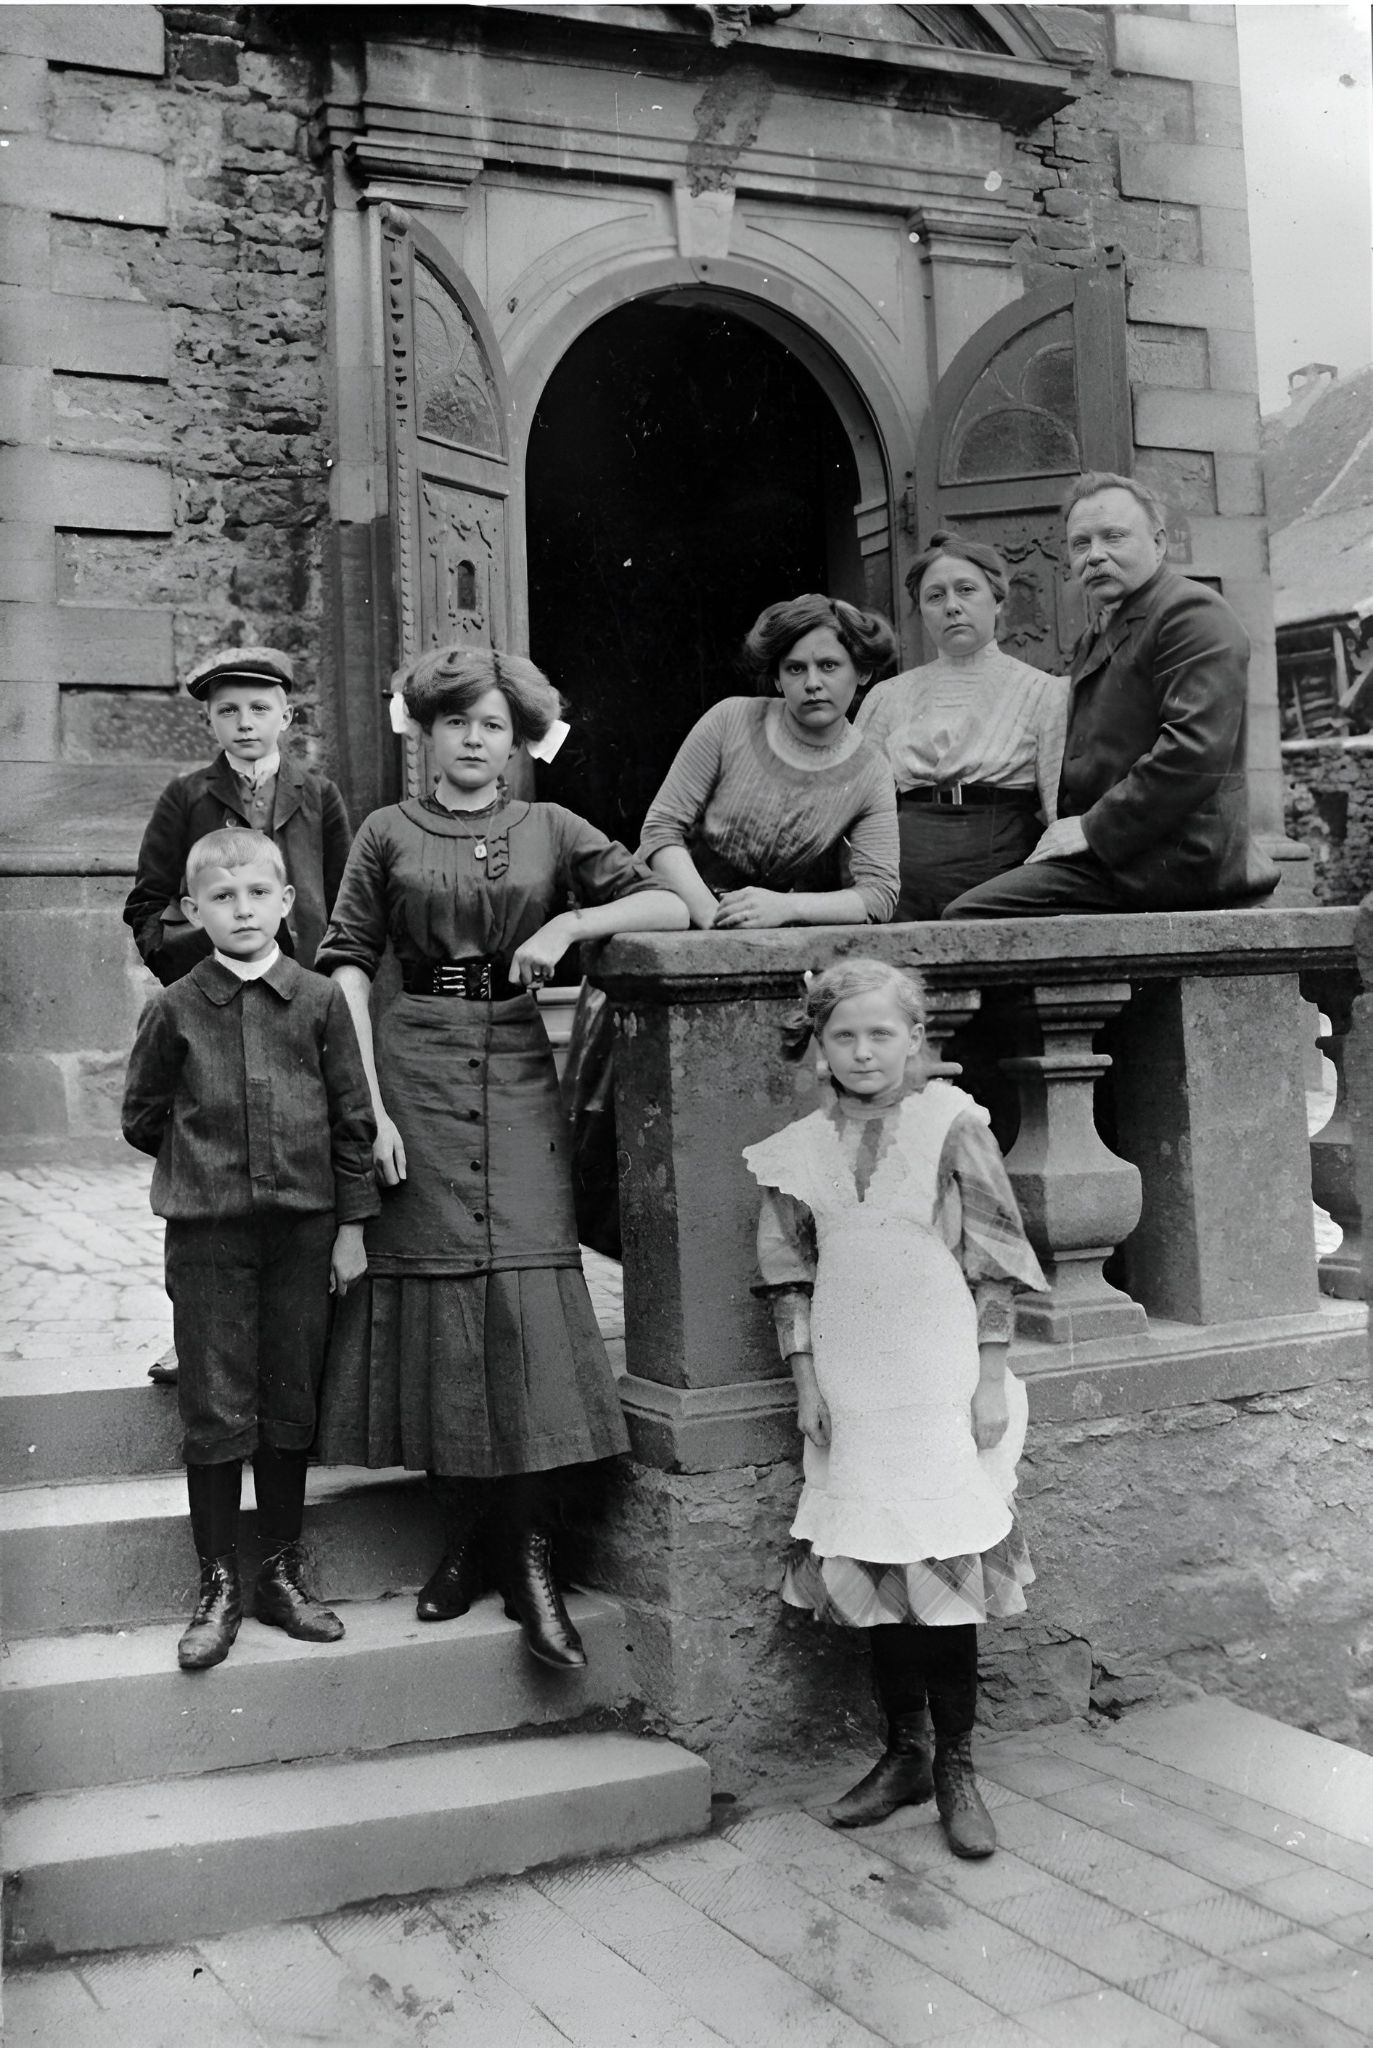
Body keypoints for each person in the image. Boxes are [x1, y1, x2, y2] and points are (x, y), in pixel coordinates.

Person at [313, 645, 689, 1672]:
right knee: (445, 1310)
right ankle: (466, 1535)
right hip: (414, 1070)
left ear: (518, 740)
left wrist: (571, 919)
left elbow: (673, 904)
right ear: (426, 734)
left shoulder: (552, 826)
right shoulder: (385, 830)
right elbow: (347, 965)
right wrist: (369, 1106)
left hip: (520, 1068)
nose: (475, 740)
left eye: (494, 726)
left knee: (523, 1305)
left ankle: (526, 1557)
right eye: (456, 723)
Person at [743, 959, 1045, 1856]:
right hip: (854, 1386)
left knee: (943, 1574)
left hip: (939, 1376)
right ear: (820, 1045)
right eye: (843, 1036)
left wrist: (988, 1377)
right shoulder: (797, 1150)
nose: (863, 1052)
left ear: (915, 1038)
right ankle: (902, 1753)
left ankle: (956, 1765)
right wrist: (806, 1385)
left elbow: (995, 1256)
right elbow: (787, 1276)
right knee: (878, 1569)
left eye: (881, 1033)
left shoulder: (952, 1126)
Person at [564, 593, 900, 1256]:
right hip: (672, 916)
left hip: (761, 935)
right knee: (612, 1129)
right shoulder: (729, 721)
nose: (812, 682)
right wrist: (708, 920)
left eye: (829, 666)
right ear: (775, 675)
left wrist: (784, 907)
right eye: (795, 668)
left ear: (860, 673)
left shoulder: (868, 769)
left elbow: (878, 894)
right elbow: (661, 831)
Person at [121, 827, 379, 1673]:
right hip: (210, 1239)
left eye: (257, 894)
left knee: (288, 1400)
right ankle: (218, 1583)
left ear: (286, 902)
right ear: (192, 910)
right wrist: (208, 1166)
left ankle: (279, 1573)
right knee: (216, 1405)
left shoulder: (317, 1000)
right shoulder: (174, 1008)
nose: (242, 911)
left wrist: (349, 1228)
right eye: (222, 897)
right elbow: (141, 1116)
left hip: (303, 1237)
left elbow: (351, 1120)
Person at [122, 646, 353, 1384]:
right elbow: (147, 904)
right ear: (210, 722)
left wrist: (320, 975)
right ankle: (193, 1329)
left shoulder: (318, 795)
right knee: (208, 1171)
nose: (244, 723)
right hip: (214, 1005)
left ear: (287, 715)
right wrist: (198, 976)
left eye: (259, 708)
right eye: (227, 710)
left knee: (303, 1148)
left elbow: (344, 898)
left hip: (297, 1002)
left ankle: (300, 1330)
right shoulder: (186, 796)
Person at [943, 474, 1280, 918]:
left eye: (1114, 537)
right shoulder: (1100, 631)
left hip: (1177, 860)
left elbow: (1193, 752)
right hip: (1124, 853)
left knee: (972, 916)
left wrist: (1089, 829)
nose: (1095, 555)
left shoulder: (1191, 613)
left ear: (1159, 543)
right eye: (1080, 544)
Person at [854, 532, 1067, 919]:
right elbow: (858, 806)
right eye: (935, 596)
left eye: (966, 590)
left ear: (997, 600)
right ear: (922, 611)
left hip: (1001, 869)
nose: (952, 606)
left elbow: (1059, 814)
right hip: (903, 876)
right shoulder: (887, 697)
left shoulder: (1044, 692)